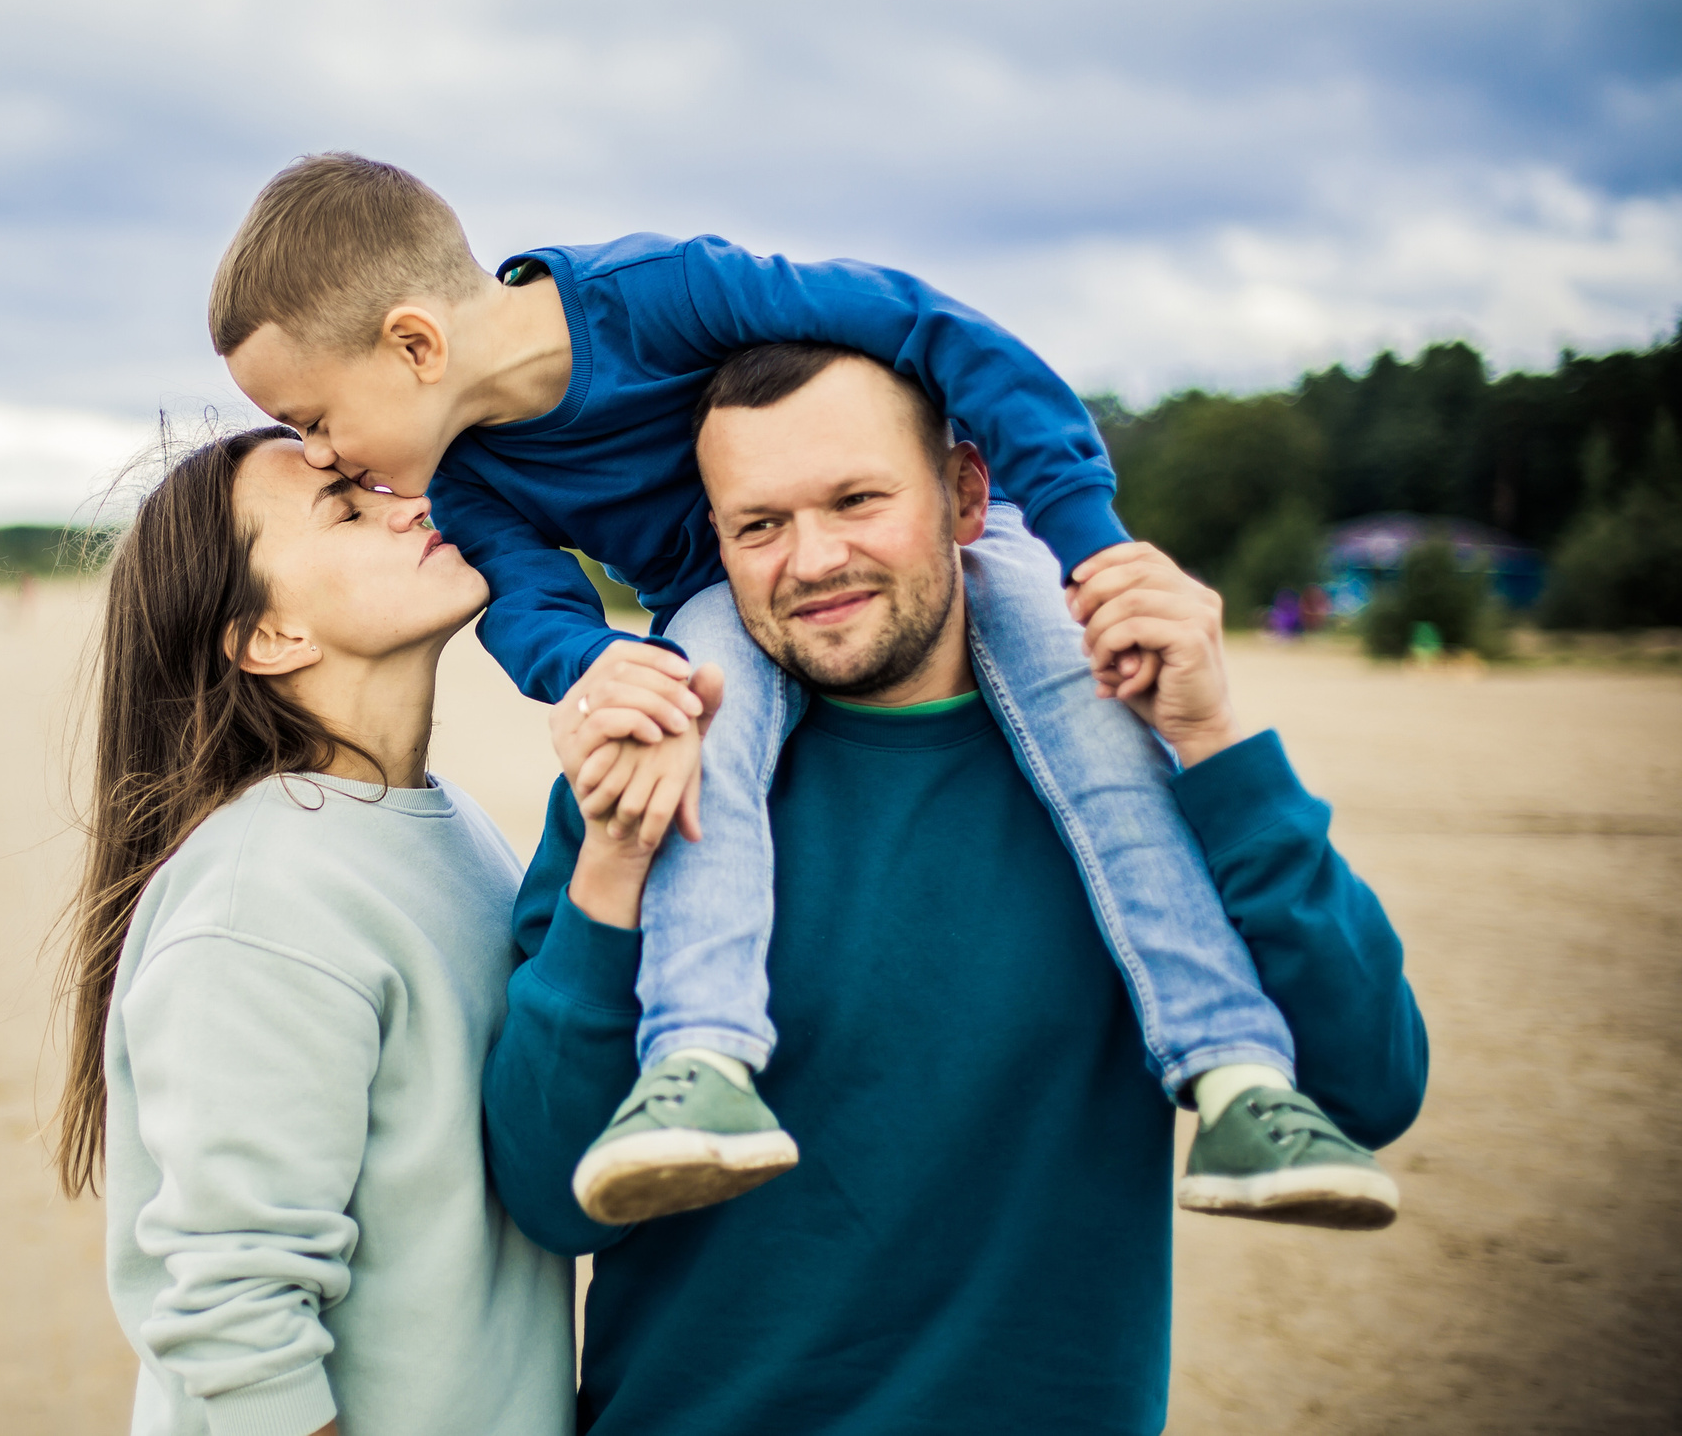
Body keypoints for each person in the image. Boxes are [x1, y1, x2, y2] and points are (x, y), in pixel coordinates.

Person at [212, 152, 1384, 1230]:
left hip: (992, 546)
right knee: (698, 720)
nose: (316, 453)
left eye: (312, 421)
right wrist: (596, 666)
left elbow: (934, 332)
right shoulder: (471, 478)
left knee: (1100, 722)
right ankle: (700, 1066)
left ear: (416, 344)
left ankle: (1235, 1075)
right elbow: (527, 606)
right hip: (713, 603)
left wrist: (1090, 543)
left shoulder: (658, 293)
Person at [482, 343, 1429, 1433]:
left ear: (967, 495)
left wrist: (1216, 739)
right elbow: (551, 1195)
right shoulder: (654, 772)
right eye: (760, 524)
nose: (812, 558)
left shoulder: (1137, 781)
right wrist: (613, 859)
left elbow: (1371, 1086)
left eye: (856, 500)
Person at [51, 426, 575, 1436]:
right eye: (348, 510)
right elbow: (233, 1327)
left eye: (382, 486)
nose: (414, 504)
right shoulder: (265, 897)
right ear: (266, 637)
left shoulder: (439, 822)